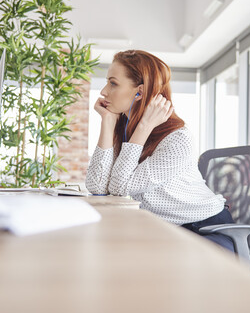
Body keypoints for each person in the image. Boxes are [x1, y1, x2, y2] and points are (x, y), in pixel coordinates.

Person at [85, 50, 234, 251]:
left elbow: (121, 189)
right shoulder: (126, 130)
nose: (103, 91)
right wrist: (107, 122)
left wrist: (144, 127)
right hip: (166, 230)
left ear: (139, 92)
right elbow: (97, 187)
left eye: (113, 83)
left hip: (205, 229)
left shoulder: (178, 139)